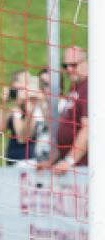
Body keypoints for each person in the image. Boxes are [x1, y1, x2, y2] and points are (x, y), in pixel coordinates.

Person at [39, 45, 88, 174]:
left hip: (83, 169)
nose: (69, 69)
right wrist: (52, 161)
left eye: (74, 65)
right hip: (70, 167)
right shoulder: (75, 88)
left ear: (86, 63)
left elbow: (88, 129)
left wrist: (69, 161)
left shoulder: (89, 88)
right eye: (65, 66)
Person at [0, 71, 46, 166]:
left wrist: (29, 105)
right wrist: (3, 104)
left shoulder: (37, 105)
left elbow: (22, 138)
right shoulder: (14, 109)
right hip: (14, 162)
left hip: (33, 162)